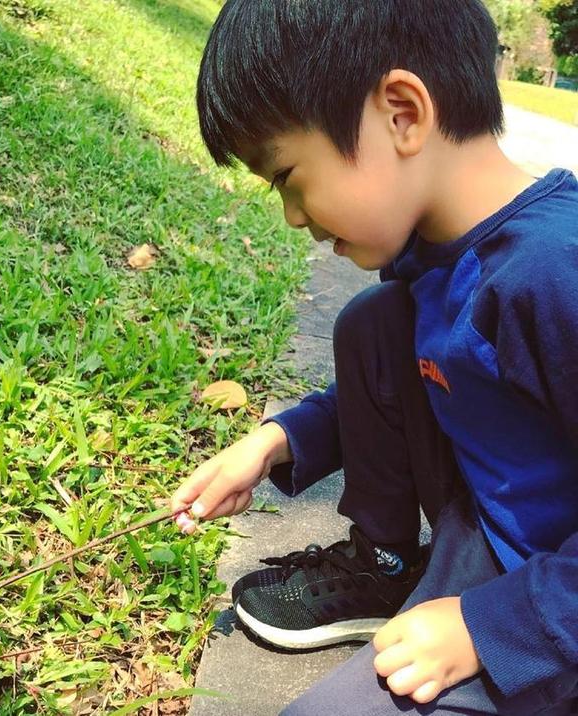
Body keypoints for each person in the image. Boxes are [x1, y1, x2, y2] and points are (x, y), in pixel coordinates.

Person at [171, 1, 578, 713]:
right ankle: (385, 565)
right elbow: (436, 374)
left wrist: (489, 628)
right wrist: (274, 442)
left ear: (402, 114)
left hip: (545, 612)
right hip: (486, 530)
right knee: (378, 322)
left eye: (286, 175)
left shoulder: (552, 272)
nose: (293, 215)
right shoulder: (436, 256)